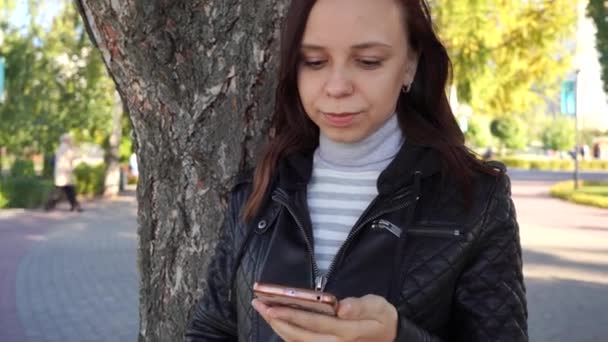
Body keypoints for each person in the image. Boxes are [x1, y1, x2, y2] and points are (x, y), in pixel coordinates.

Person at [187, 0, 527, 341]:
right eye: (315, 62)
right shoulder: (259, 189)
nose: (337, 87)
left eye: (368, 62)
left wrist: (397, 337)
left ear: (410, 65)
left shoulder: (476, 199)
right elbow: (211, 330)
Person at [47, 133, 83, 212]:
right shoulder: (66, 148)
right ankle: (49, 205)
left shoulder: (61, 147)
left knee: (68, 190)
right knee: (63, 191)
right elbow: (76, 156)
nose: (72, 140)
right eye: (71, 139)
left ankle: (74, 206)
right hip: (64, 173)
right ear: (67, 140)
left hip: (62, 173)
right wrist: (76, 147)